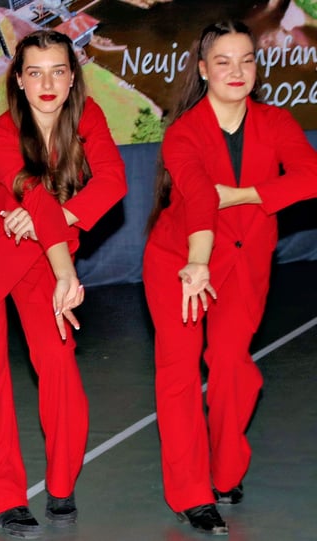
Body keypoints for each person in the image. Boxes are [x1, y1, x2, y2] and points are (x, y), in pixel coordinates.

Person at [0, 30, 127, 538]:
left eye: (58, 71)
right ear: (19, 82)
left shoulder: (88, 121)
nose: (47, 82)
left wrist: (61, 216)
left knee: (60, 364)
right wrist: (66, 264)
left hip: (41, 247)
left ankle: (62, 482)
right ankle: (2, 497)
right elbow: (30, 191)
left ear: (72, 78)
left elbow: (113, 181)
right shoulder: (2, 134)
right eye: (35, 72)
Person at [143, 20, 317, 536]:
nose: (236, 71)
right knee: (177, 376)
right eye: (223, 61)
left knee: (232, 369)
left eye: (246, 60)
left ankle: (225, 469)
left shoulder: (276, 122)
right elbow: (199, 199)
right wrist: (198, 261)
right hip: (179, 261)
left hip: (245, 262)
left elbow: (309, 176)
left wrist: (243, 195)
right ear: (203, 69)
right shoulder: (184, 132)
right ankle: (191, 494)